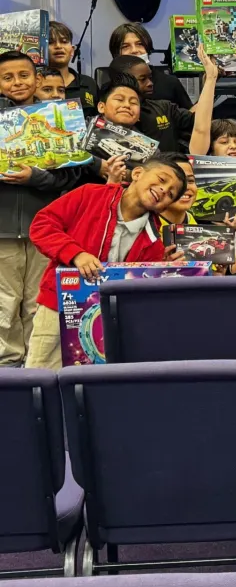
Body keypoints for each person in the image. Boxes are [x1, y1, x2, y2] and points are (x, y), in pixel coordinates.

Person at [25, 154, 188, 369]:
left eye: (171, 194)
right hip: (59, 306)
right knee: (41, 373)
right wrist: (75, 254)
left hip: (111, 320)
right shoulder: (90, 194)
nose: (164, 190)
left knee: (92, 382)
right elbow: (42, 225)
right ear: (137, 173)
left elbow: (144, 285)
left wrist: (162, 267)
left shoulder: (155, 238)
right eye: (162, 179)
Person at [0, 52, 102, 366]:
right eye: (8, 77)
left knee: (37, 302)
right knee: (3, 305)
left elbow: (71, 174)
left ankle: (36, 365)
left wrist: (37, 176)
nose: (17, 83)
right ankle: (6, 367)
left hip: (43, 229)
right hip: (2, 229)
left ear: (39, 79)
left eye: (24, 75)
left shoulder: (59, 119)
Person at [108, 55, 194, 153]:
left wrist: (209, 81)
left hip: (167, 165)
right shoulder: (108, 116)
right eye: (143, 79)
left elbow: (199, 121)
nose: (150, 83)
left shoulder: (164, 107)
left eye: (150, 78)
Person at [109, 22, 194, 109]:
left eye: (140, 44)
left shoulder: (170, 83)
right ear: (116, 54)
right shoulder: (109, 85)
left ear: (148, 48)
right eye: (125, 46)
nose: (134, 50)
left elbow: (189, 117)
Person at [47, 21, 98, 115]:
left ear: (72, 51)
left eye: (64, 41)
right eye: (50, 42)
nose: (58, 46)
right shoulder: (35, 84)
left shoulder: (89, 83)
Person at [158, 156, 198, 227]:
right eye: (176, 181)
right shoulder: (139, 230)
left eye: (190, 181)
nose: (185, 187)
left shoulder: (203, 232)